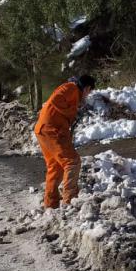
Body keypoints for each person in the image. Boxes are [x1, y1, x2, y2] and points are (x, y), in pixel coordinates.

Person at [34, 75, 95, 209]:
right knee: (72, 162)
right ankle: (69, 202)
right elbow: (55, 100)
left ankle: (51, 205)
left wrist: (73, 112)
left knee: (55, 168)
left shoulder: (72, 91)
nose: (88, 95)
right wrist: (70, 111)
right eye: (89, 92)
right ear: (87, 88)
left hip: (44, 130)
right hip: (51, 130)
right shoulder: (71, 87)